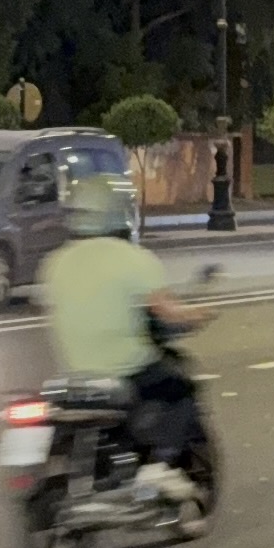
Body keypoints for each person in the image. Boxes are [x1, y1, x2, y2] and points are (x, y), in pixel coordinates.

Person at [39, 171, 208, 504]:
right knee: (181, 389)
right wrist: (199, 315)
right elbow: (167, 312)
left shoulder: (54, 262)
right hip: (125, 371)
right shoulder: (134, 259)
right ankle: (161, 464)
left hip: (75, 375)